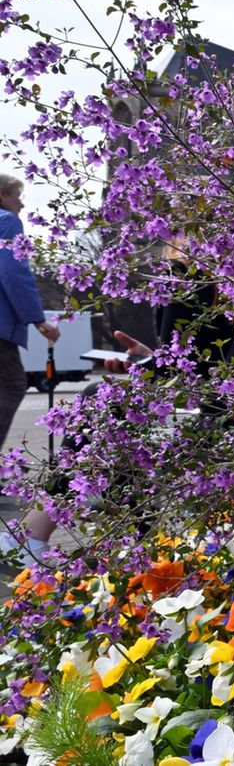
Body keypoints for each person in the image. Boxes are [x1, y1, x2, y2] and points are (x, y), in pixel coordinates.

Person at [0, 173, 61, 559]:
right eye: (18, 197)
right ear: (4, 195)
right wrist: (37, 318)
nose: (22, 205)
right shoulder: (6, 221)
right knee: (11, 383)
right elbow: (13, 272)